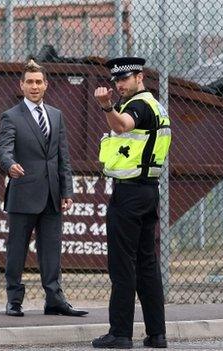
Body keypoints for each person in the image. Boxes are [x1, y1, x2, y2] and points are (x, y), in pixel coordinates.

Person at [91, 56, 172, 349]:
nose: (119, 85)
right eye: (116, 80)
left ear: (140, 77)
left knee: (122, 264)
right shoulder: (157, 106)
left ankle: (120, 333)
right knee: (147, 264)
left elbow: (123, 125)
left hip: (130, 194)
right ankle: (157, 333)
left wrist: (106, 107)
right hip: (148, 190)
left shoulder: (138, 105)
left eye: (124, 79)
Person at [0, 60, 88, 318]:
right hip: (23, 194)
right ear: (21, 85)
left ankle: (54, 299)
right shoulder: (11, 116)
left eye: (39, 82)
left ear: (46, 85)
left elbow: (63, 157)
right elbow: (3, 148)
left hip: (52, 195)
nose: (34, 86)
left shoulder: (56, 115)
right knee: (17, 249)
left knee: (51, 250)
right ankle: (14, 300)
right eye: (29, 82)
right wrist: (9, 165)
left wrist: (67, 192)